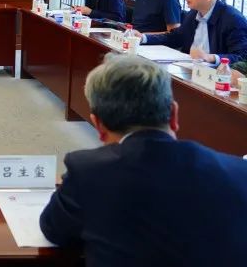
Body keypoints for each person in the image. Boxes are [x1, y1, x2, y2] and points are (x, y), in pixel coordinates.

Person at [40, 54, 247, 267]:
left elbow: (53, 229)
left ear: (98, 125)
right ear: (174, 115)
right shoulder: (240, 172)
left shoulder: (86, 171)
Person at [139, 0, 247, 65]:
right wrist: (142, 38)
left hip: (217, 74)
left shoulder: (233, 20)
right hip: (188, 67)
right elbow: (175, 37)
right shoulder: (193, 14)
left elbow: (241, 57)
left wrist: (211, 58)